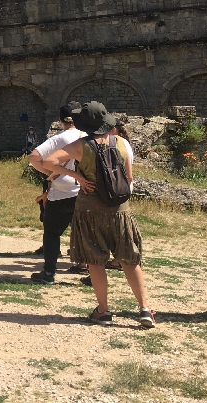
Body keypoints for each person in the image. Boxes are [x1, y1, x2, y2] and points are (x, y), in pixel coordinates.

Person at [43, 101, 155, 328]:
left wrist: (79, 178)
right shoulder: (122, 143)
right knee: (130, 259)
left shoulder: (79, 146)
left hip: (90, 209)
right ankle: (144, 310)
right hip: (120, 210)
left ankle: (103, 310)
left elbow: (48, 162)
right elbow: (129, 178)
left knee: (95, 260)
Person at [27, 102, 86, 283]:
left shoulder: (60, 138)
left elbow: (34, 157)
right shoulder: (87, 136)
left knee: (52, 232)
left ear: (61, 120)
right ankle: (91, 270)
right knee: (86, 231)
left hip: (62, 191)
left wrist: (51, 175)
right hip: (85, 189)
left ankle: (49, 273)